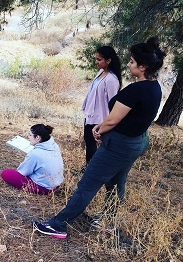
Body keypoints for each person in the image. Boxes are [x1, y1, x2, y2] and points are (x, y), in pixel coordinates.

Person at [33, 37, 166, 239]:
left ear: (143, 66)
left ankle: (58, 225)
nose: (128, 64)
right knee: (116, 182)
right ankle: (109, 222)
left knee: (87, 184)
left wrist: (99, 129)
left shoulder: (135, 90)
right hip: (136, 142)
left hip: (119, 144)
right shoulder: (155, 88)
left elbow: (112, 120)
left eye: (132, 62)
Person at [81, 46, 122, 169]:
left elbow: (113, 102)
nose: (96, 62)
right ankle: (89, 168)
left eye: (99, 60)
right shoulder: (101, 72)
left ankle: (94, 169)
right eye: (96, 59)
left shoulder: (111, 80)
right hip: (90, 115)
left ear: (108, 60)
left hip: (100, 118)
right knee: (89, 142)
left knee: (98, 145)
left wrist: (106, 122)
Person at [1, 124, 64, 195]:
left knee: (6, 173)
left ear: (37, 137)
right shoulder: (54, 145)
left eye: (30, 135)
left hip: (44, 188)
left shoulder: (35, 154)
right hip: (57, 184)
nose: (28, 137)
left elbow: (22, 172)